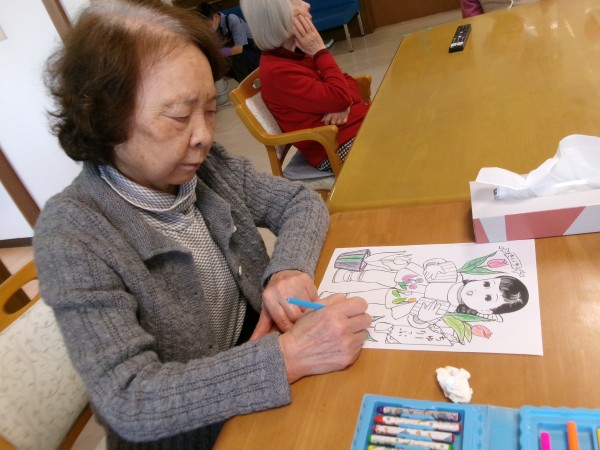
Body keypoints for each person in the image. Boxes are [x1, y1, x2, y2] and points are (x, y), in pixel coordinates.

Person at [35, 1, 371, 448]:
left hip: (261, 369)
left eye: (210, 110)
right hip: (195, 431)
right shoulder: (72, 234)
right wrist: (289, 355)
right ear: (104, 118)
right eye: (179, 116)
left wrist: (288, 269)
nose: (204, 136)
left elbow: (299, 203)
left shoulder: (207, 167)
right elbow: (132, 400)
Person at [240, 0, 370, 171]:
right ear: (277, 18)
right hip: (336, 147)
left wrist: (345, 103)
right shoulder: (279, 72)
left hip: (355, 127)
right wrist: (320, 51)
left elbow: (346, 81)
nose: (307, 5)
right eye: (296, 2)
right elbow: (340, 94)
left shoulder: (294, 52)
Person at [196, 2, 260, 82]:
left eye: (208, 26)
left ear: (216, 17)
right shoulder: (215, 29)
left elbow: (238, 49)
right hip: (236, 56)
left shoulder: (232, 20)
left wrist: (216, 53)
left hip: (251, 52)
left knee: (235, 61)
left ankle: (246, 83)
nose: (208, 29)